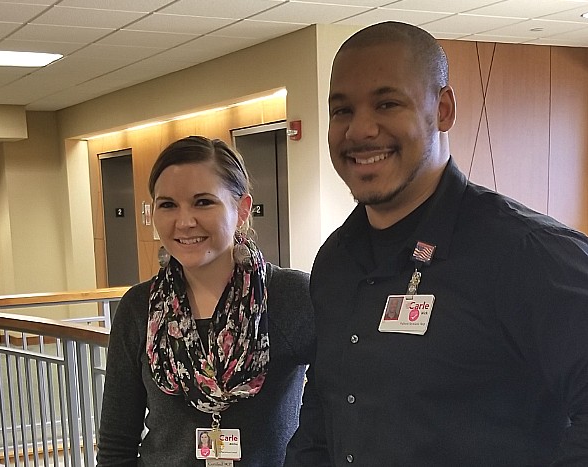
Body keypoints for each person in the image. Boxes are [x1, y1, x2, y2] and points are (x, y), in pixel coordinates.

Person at [285, 21, 588, 466]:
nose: (360, 130)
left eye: (387, 103)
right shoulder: (335, 261)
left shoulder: (528, 255)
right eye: (342, 111)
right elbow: (325, 406)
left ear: (442, 109)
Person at [97, 136, 315, 466]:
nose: (184, 222)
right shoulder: (139, 307)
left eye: (203, 202)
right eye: (167, 204)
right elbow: (116, 443)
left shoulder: (290, 296)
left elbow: (340, 407)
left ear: (241, 210)